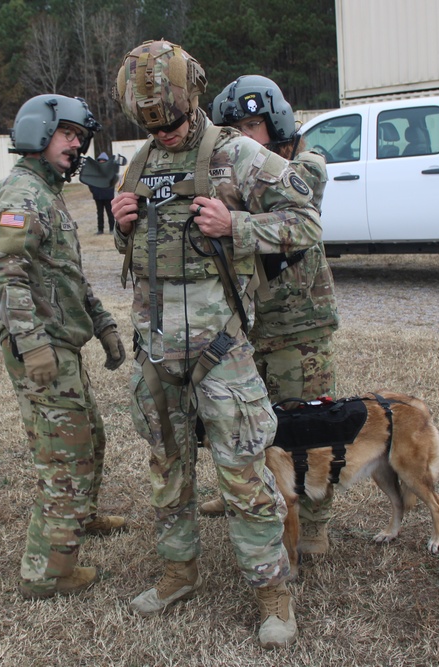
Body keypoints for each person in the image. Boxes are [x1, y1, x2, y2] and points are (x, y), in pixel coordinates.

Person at [111, 40, 323, 649]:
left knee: (243, 474)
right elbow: (142, 257)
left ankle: (272, 593)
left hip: (220, 352)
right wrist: (123, 226)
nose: (167, 136)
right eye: (153, 126)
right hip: (156, 353)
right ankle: (178, 573)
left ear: (193, 101)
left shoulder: (239, 155)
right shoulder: (138, 163)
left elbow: (306, 223)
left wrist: (240, 226)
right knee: (167, 470)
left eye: (173, 123)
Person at [0, 94, 128, 600]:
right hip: (42, 347)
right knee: (64, 456)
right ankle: (47, 572)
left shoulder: (48, 194)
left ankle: (79, 519)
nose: (77, 145)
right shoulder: (21, 194)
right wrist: (31, 343)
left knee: (89, 435)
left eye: (80, 138)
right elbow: (6, 275)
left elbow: (69, 278)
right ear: (39, 132)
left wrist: (104, 324)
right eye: (68, 135)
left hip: (62, 343)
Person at [199, 75, 340, 556]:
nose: (243, 138)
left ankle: (316, 522)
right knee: (248, 423)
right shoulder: (231, 168)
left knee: (309, 425)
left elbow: (301, 220)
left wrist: (233, 221)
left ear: (277, 124)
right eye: (233, 129)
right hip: (246, 325)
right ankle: (251, 491)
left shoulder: (304, 165)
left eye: (253, 125)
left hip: (298, 323)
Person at [88, 152, 117, 234]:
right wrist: (94, 191)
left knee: (110, 213)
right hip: (98, 196)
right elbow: (90, 182)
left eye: (103, 161)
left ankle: (112, 229)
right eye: (100, 161)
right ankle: (100, 230)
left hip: (108, 196)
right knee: (100, 214)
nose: (102, 162)